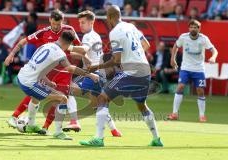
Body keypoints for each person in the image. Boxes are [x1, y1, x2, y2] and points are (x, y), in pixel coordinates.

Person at [79, 5, 163, 147]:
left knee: (102, 98)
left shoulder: (114, 32)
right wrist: (132, 57)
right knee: (142, 106)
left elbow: (116, 60)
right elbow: (146, 45)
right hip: (145, 70)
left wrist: (95, 67)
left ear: (109, 17)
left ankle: (98, 139)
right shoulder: (131, 26)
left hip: (132, 72)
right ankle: (156, 139)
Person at [5, 10, 82, 138]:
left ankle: (44, 127)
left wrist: (81, 55)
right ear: (50, 21)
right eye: (54, 24)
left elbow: (80, 47)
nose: (56, 27)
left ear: (63, 22)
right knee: (43, 95)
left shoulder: (68, 31)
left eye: (59, 24)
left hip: (62, 71)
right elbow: (24, 41)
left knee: (51, 98)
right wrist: (12, 54)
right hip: (48, 71)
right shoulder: (44, 32)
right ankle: (19, 117)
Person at [16, 31, 98, 136]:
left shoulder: (46, 45)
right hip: (28, 83)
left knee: (36, 98)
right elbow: (70, 68)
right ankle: (58, 132)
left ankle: (31, 125)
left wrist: (48, 82)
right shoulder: (59, 53)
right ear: (68, 44)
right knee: (63, 98)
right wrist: (90, 75)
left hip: (21, 75)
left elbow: (37, 67)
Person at [63, 10, 122, 137]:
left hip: (92, 73)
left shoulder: (88, 36)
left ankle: (74, 121)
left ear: (91, 22)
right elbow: (83, 54)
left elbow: (84, 50)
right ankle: (114, 130)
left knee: (67, 90)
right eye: (79, 22)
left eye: (83, 22)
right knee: (99, 103)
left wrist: (66, 47)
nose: (81, 25)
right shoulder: (95, 35)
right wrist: (66, 53)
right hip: (100, 74)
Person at [167, 20, 218, 122]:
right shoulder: (183, 37)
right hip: (185, 68)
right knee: (180, 87)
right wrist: (173, 59)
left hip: (199, 69)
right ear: (188, 28)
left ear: (199, 29)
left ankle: (202, 116)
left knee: (200, 91)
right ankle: (175, 113)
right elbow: (176, 46)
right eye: (191, 27)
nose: (193, 29)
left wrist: (213, 57)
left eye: (196, 27)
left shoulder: (203, 39)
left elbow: (214, 50)